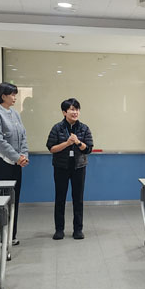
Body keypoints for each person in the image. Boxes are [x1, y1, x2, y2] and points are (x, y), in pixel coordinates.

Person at [0, 82, 28, 245]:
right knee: (0, 201)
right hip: (1, 163)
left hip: (16, 163)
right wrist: (16, 157)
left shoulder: (15, 114)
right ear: (3, 96)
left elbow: (23, 136)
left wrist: (23, 155)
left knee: (14, 200)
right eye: (12, 94)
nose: (15, 97)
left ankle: (11, 235)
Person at [46, 97, 93, 240]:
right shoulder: (57, 128)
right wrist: (67, 143)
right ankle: (59, 229)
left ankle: (78, 229)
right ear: (64, 112)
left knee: (78, 199)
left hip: (79, 167)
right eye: (72, 109)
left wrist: (77, 142)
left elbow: (88, 149)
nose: (75, 112)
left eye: (77, 109)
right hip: (61, 167)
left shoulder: (84, 128)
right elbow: (51, 148)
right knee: (60, 198)